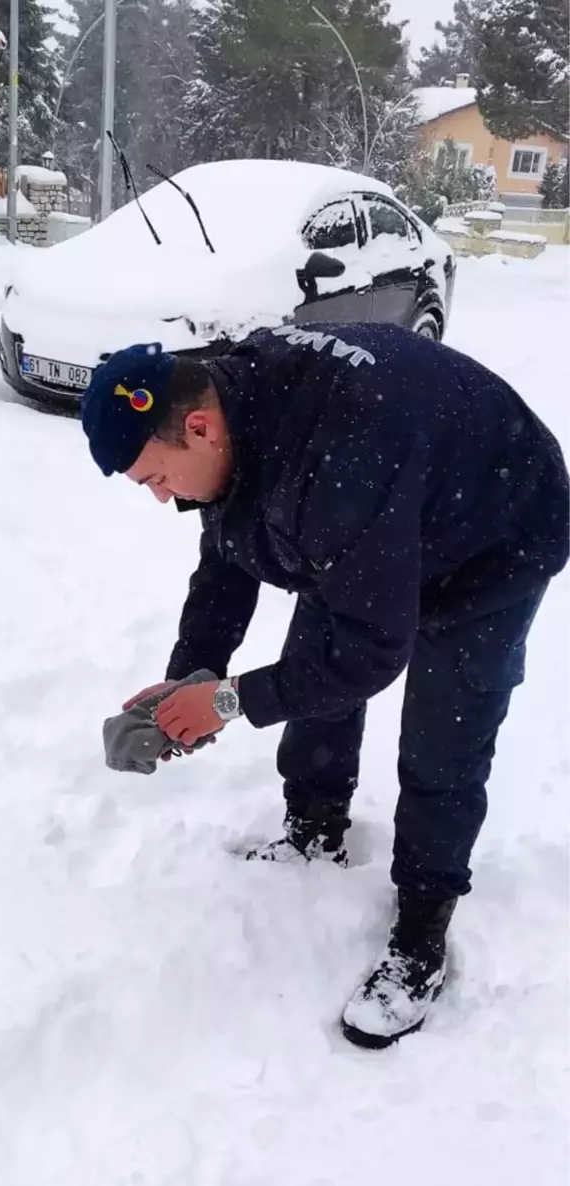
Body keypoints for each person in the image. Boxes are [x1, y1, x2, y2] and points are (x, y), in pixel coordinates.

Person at [81, 323, 570, 1049]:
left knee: (442, 745)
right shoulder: (238, 403)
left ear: (197, 426)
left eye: (154, 478)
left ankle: (420, 934)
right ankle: (314, 826)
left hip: (492, 539)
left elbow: (371, 653)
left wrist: (224, 703)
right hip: (381, 516)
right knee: (313, 670)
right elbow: (227, 548)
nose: (158, 498)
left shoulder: (340, 459)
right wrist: (195, 670)